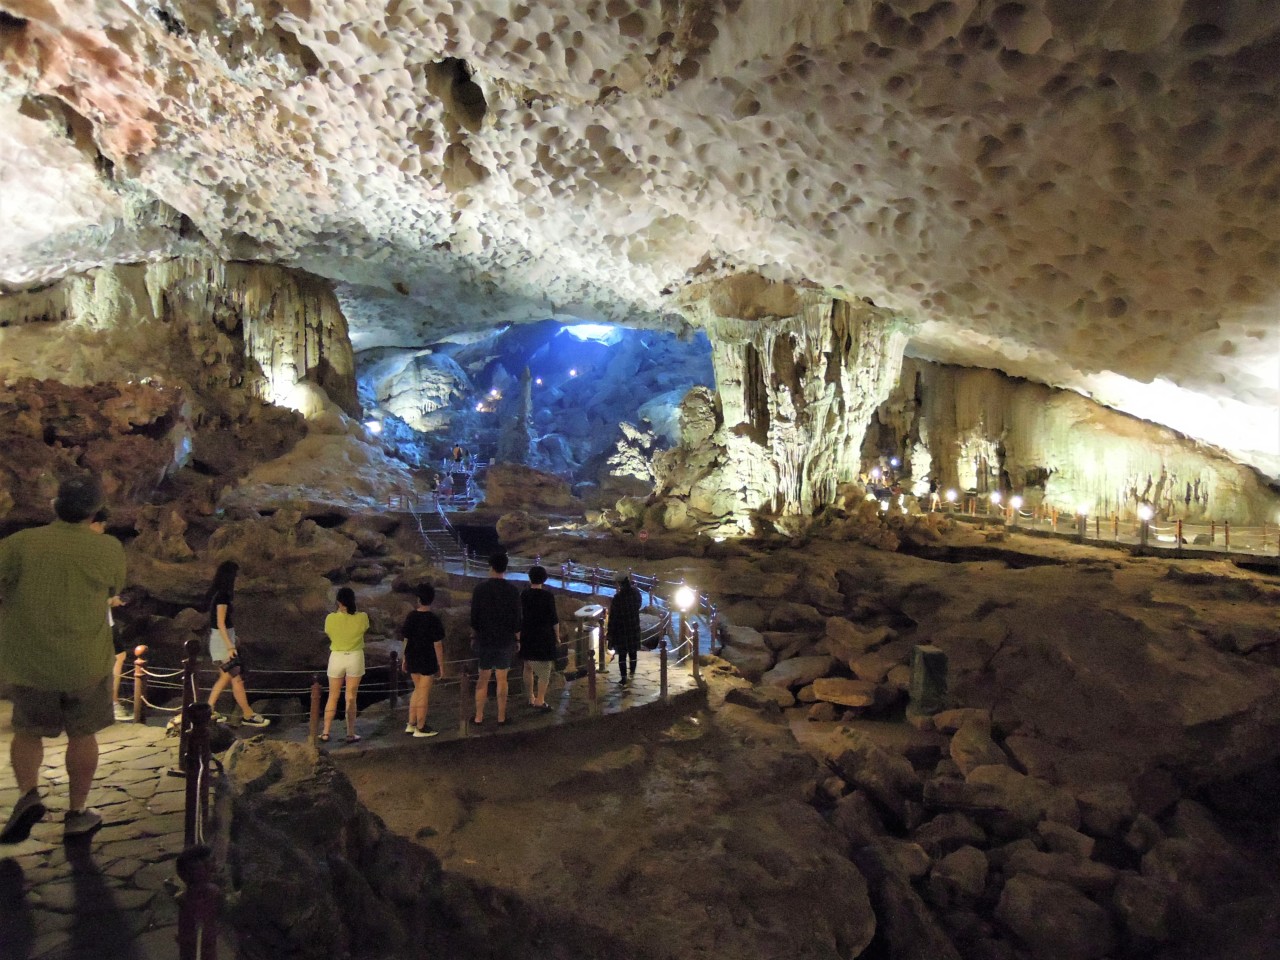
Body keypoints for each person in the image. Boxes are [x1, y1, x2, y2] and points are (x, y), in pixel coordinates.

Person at [0, 475, 125, 842]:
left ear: (54, 506)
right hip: (85, 660)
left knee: (27, 731)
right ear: (94, 511)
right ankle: (77, 812)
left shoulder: (22, 544)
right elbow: (114, 587)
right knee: (83, 735)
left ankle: (28, 794)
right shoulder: (108, 548)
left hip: (32, 659)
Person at [205, 561, 271, 728]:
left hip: (221, 639)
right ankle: (212, 709)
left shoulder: (219, 594)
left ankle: (244, 713)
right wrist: (230, 646)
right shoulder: (222, 596)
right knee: (230, 677)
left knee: (235, 679)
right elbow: (220, 622)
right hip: (222, 641)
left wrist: (233, 639)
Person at [470, 552, 521, 726]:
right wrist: (517, 639)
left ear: (490, 567)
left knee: (482, 678)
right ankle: (501, 716)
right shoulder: (513, 591)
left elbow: (474, 618)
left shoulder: (480, 589)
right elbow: (517, 619)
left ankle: (478, 716)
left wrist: (476, 634)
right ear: (505, 568)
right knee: (502, 679)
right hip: (505, 639)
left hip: (484, 639)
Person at [89, 509, 131, 722]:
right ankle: (109, 703)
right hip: (96, 620)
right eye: (102, 524)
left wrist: (111, 599)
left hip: (103, 618)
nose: (103, 529)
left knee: (117, 656)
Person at [322, 587, 369, 743]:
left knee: (332, 696)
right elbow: (364, 629)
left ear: (338, 601)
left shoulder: (330, 619)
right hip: (355, 657)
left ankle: (325, 732)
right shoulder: (362, 617)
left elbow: (329, 633)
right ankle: (350, 733)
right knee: (351, 697)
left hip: (337, 657)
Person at [400, 583, 444, 738]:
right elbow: (437, 644)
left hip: (412, 656)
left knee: (417, 690)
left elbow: (406, 639)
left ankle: (411, 724)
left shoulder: (411, 616)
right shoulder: (433, 619)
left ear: (418, 599)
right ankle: (421, 726)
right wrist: (441, 665)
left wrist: (404, 658)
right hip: (427, 659)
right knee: (423, 693)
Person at [520, 566, 560, 710]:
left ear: (530, 577)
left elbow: (520, 617)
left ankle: (530, 696)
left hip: (527, 634)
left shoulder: (524, 595)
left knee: (528, 666)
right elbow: (554, 619)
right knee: (545, 670)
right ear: (544, 579)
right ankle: (540, 699)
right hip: (544, 636)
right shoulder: (548, 596)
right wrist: (557, 636)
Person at [607, 574, 643, 685]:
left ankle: (623, 678)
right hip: (633, 627)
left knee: (622, 655)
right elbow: (639, 605)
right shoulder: (636, 593)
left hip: (622, 630)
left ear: (619, 583)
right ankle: (632, 671)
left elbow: (613, 617)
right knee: (633, 652)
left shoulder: (617, 598)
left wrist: (610, 634)